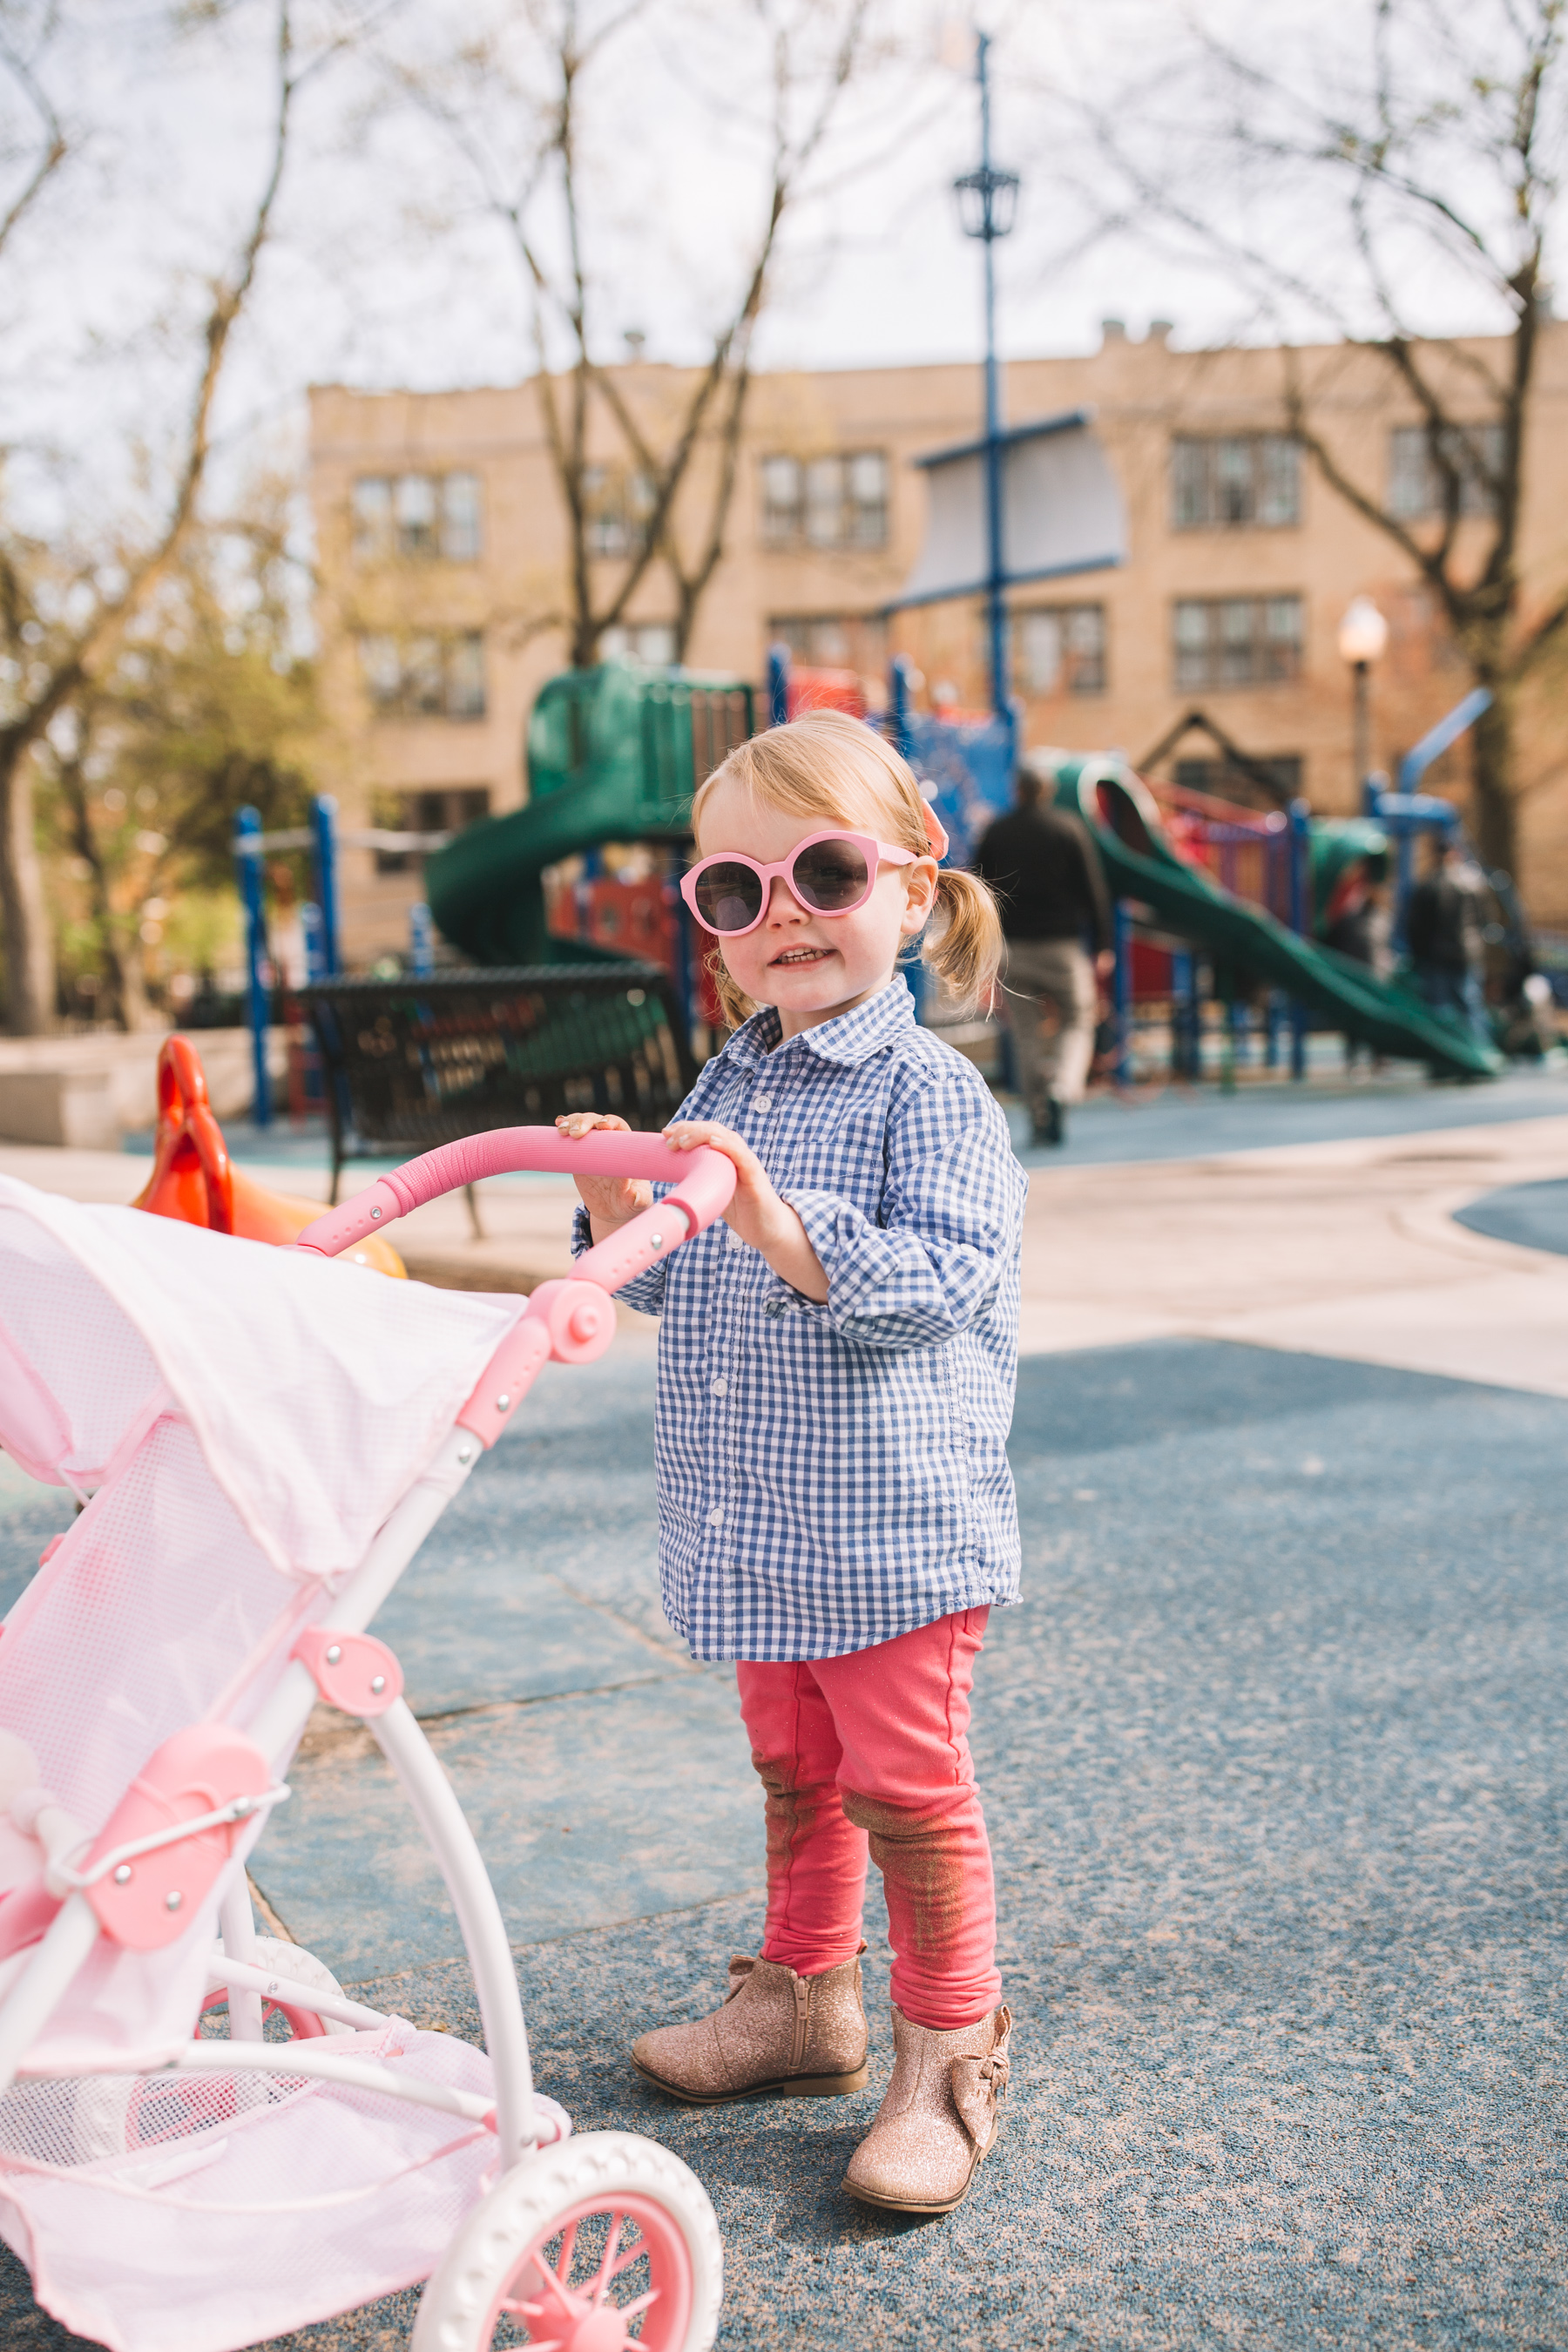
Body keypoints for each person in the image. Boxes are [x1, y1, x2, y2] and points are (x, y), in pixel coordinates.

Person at [558, 710, 1024, 2217]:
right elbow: (655, 1278)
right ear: (710, 925)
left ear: (912, 888)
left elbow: (932, 1286)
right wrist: (603, 1195)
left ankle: (947, 2051)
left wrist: (770, 1220)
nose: (787, 919)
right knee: (795, 1767)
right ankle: (803, 2003)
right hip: (756, 1528)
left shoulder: (929, 1097)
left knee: (907, 1786)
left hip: (889, 1538)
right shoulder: (725, 1086)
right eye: (736, 894)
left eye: (826, 872)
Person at [976, 764, 1113, 1145]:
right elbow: (1094, 889)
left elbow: (980, 891)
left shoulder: (997, 831)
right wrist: (1102, 943)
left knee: (1025, 1033)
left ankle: (1038, 1111)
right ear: (1048, 791)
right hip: (1062, 948)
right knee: (1078, 1018)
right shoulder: (1068, 828)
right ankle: (1063, 1088)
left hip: (1014, 949)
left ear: (1017, 791)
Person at [1406, 836, 1492, 1050]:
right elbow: (1486, 919)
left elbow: (1417, 925)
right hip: (1469, 953)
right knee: (1471, 1005)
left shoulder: (1430, 884)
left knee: (1439, 1008)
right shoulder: (1475, 882)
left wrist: (1418, 954)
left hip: (1438, 955)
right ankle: (1479, 1051)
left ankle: (1445, 1053)